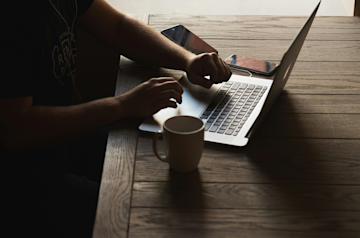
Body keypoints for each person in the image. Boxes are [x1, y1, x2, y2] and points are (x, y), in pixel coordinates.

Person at [0, 0, 231, 237]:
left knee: (159, 157)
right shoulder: (10, 15)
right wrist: (123, 104)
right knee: (144, 218)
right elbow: (16, 128)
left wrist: (187, 60)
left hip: (61, 142)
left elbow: (117, 27)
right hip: (22, 178)